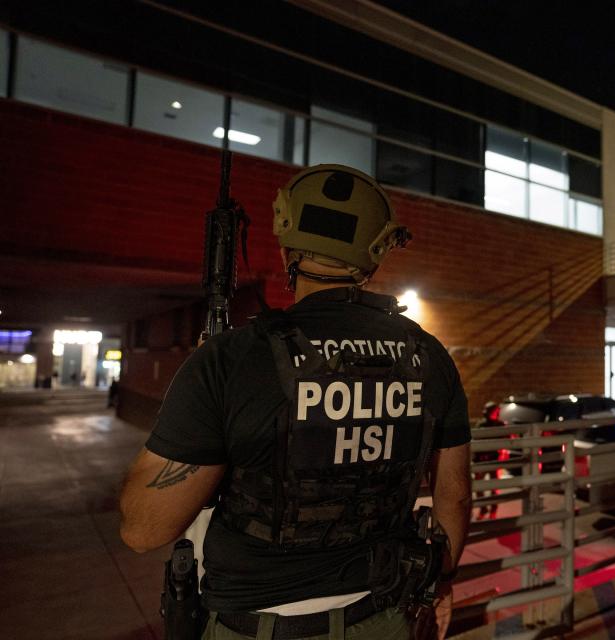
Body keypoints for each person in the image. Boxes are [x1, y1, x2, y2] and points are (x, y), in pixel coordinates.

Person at [120, 164, 472, 640]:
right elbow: (454, 493)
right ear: (375, 255)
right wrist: (442, 581)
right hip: (386, 617)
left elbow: (144, 528)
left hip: (255, 626)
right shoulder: (429, 356)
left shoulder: (232, 359)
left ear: (287, 245)